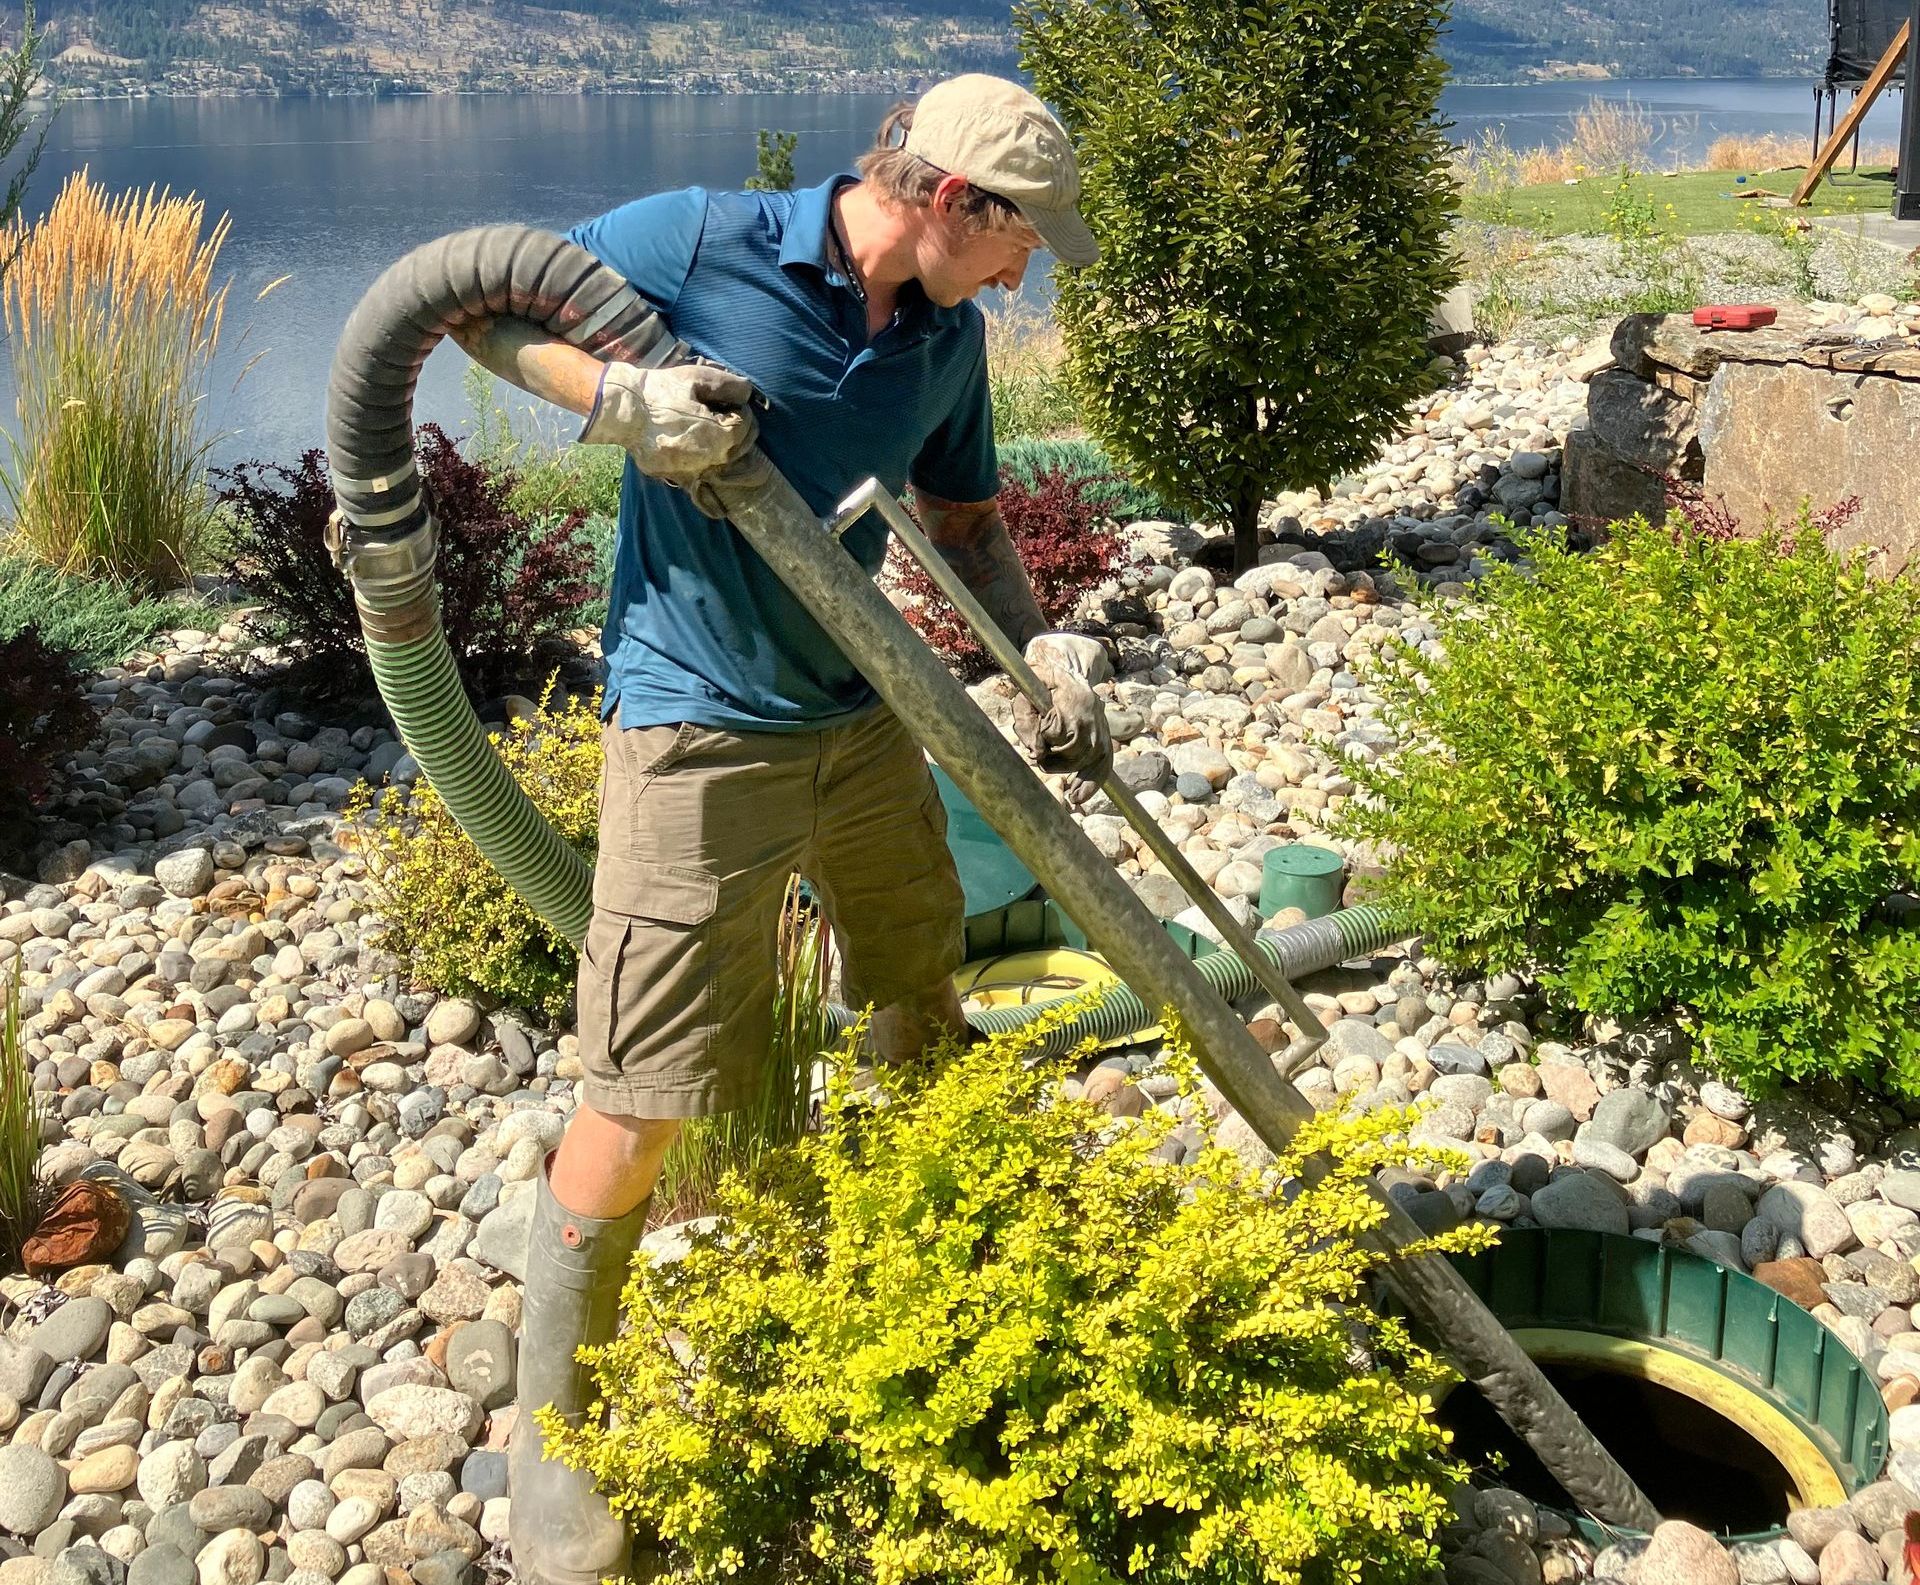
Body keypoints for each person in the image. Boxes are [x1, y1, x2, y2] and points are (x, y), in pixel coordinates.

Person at [454, 73, 1112, 1585]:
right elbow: (476, 309)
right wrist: (620, 403)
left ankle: (920, 1275)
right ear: (951, 201)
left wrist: (1044, 653)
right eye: (1020, 240)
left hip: (864, 712)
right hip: (697, 725)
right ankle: (558, 1431)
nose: (1027, 272)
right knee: (645, 1086)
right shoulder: (700, 241)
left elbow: (964, 529)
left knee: (920, 992)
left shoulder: (946, 340)